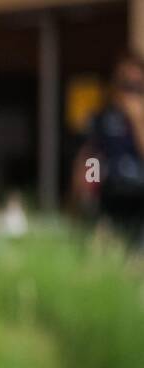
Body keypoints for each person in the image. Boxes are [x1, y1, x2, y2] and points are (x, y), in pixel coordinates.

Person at [77, 52, 144, 245]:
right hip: (111, 197)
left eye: (136, 86)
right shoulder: (102, 118)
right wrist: (88, 189)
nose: (130, 92)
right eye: (125, 84)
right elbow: (93, 156)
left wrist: (137, 120)